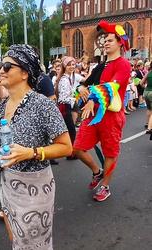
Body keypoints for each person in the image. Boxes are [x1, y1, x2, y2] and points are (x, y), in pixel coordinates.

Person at [0, 44, 72, 250]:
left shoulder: (43, 104)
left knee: (35, 244)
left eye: (6, 66)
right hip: (9, 184)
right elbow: (2, 145)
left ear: (24, 72)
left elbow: (66, 147)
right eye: (0, 65)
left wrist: (32, 153)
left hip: (35, 190)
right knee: (16, 240)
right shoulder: (3, 104)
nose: (0, 70)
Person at [75, 20, 131, 202]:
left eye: (110, 40)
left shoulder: (123, 64)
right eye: (104, 40)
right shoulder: (100, 66)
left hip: (111, 116)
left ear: (120, 43)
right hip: (93, 114)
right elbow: (85, 83)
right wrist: (81, 88)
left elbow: (111, 86)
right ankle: (97, 172)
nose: (106, 42)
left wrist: (91, 98)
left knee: (110, 153)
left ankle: (105, 186)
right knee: (78, 149)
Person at [55, 56, 77, 160]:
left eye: (73, 64)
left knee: (69, 130)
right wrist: (74, 100)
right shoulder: (64, 79)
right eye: (69, 65)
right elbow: (62, 98)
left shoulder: (68, 78)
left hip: (66, 107)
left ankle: (70, 152)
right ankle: (71, 153)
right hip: (64, 107)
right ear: (65, 66)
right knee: (71, 131)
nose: (72, 67)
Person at [140, 62, 152, 136]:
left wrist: (146, 88)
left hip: (146, 92)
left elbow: (141, 83)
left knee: (149, 108)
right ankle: (150, 127)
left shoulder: (149, 72)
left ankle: (147, 123)